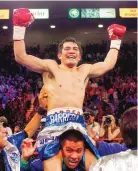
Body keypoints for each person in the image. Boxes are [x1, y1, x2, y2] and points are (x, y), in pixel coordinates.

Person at [13, 8, 126, 171]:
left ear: (79, 56)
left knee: (95, 167)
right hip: (54, 124)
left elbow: (108, 64)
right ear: (59, 55)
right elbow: (21, 57)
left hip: (78, 124)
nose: (71, 51)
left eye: (75, 49)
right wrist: (19, 27)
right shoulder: (51, 67)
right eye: (67, 48)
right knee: (53, 166)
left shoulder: (85, 70)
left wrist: (116, 40)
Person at [0, 88, 47, 171]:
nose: (5, 130)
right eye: (0, 128)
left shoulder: (9, 145)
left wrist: (24, 160)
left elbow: (27, 132)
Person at [90, 106, 138, 171]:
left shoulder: (117, 129)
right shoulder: (121, 149)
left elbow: (109, 139)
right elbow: (100, 136)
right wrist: (102, 124)